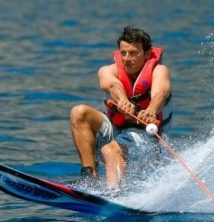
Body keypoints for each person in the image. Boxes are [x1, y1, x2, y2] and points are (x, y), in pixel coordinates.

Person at [70, 26, 172, 189]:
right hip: (115, 129)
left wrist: (151, 110)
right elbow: (111, 84)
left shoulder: (159, 71)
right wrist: (123, 100)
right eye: (123, 53)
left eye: (133, 53)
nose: (126, 58)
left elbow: (160, 93)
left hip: (145, 138)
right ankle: (89, 180)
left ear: (146, 54)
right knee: (79, 112)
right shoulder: (108, 70)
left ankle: (114, 193)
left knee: (111, 149)